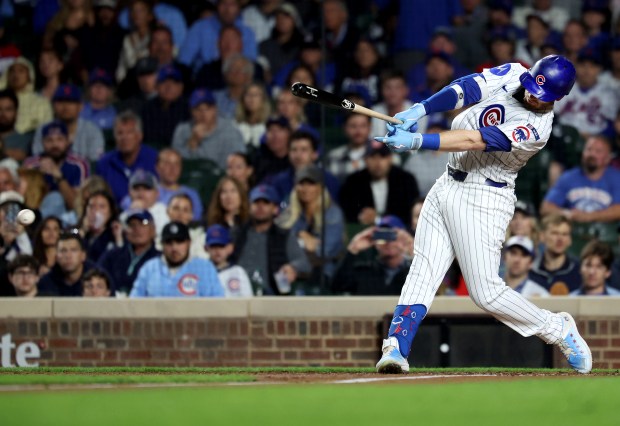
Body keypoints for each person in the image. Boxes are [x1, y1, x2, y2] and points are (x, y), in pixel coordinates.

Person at [373, 55, 591, 374]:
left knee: (486, 293)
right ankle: (396, 347)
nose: (533, 95)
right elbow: (467, 88)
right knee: (424, 268)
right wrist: (420, 109)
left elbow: (475, 139)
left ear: (559, 97)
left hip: (485, 195)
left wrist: (418, 140)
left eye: (542, 95)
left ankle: (557, 328)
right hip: (448, 180)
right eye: (533, 86)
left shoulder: (536, 129)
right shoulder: (516, 73)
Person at [233, 184, 311, 295]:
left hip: (272, 296)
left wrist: (292, 267)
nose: (260, 207)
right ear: (250, 207)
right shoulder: (237, 234)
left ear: (275, 209)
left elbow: (304, 264)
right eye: (256, 202)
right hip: (237, 293)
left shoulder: (284, 236)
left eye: (266, 203)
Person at [276, 165, 345, 283]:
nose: (305, 189)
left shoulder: (333, 213)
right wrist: (302, 236)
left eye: (311, 184)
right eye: (301, 184)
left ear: (320, 187)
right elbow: (278, 245)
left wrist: (297, 245)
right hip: (291, 272)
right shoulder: (289, 213)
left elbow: (325, 251)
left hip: (323, 275)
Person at [130, 221, 224, 298]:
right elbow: (133, 306)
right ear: (162, 244)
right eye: (169, 243)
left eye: (179, 242)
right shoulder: (149, 269)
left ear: (189, 243)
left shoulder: (205, 268)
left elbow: (218, 304)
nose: (174, 248)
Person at [540, 135, 620, 224]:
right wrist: (567, 214)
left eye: (598, 151)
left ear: (608, 158)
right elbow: (546, 207)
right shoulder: (568, 177)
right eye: (589, 149)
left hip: (606, 232)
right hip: (572, 230)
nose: (592, 154)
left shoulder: (616, 178)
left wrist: (589, 216)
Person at [339, 141, 419, 226]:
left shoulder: (406, 180)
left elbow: (411, 212)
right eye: (373, 157)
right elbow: (346, 211)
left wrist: (379, 218)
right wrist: (361, 216)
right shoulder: (353, 181)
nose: (378, 163)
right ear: (365, 160)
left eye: (382, 156)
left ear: (390, 159)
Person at [332, 215, 413, 295]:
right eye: (382, 236)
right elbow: (337, 287)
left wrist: (414, 253)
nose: (388, 242)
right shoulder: (364, 272)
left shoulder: (414, 271)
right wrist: (353, 249)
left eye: (393, 236)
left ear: (404, 239)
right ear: (375, 241)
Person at [23, 121, 90, 213]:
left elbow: (77, 206)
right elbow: (27, 202)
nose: (54, 145)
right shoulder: (31, 164)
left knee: (56, 198)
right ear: (42, 142)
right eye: (49, 140)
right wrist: (37, 176)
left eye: (60, 139)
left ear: (68, 141)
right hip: (38, 215)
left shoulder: (79, 164)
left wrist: (59, 177)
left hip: (70, 217)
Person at [95, 110, 159, 203]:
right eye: (120, 133)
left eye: (129, 132)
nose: (124, 137)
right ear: (115, 137)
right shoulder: (104, 163)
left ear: (139, 136)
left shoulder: (154, 159)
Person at [31, 83, 105, 162]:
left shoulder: (92, 130)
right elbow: (37, 159)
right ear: (53, 105)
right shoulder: (43, 129)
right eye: (60, 101)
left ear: (80, 106)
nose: (65, 106)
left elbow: (95, 162)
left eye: (71, 102)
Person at [171, 88, 245, 164]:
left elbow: (238, 164)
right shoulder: (182, 130)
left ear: (215, 109)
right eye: (198, 109)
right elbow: (175, 164)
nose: (203, 114)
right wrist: (192, 142)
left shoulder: (230, 132)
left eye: (207, 108)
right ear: (191, 111)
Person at [97, 208, 160, 296]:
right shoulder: (112, 255)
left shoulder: (160, 259)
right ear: (125, 231)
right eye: (132, 225)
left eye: (143, 224)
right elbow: (97, 278)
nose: (137, 229)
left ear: (153, 229)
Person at [267, 130, 339, 204]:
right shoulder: (279, 182)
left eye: (304, 150)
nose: (298, 156)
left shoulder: (328, 180)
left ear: (315, 154)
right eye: (294, 150)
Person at [529, 213, 581, 294]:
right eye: (555, 233)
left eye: (564, 234)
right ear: (542, 236)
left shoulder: (579, 271)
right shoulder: (530, 270)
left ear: (570, 240)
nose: (560, 239)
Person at [141, 65, 189, 147]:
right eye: (164, 82)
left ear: (181, 87)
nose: (169, 86)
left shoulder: (189, 109)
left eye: (174, 82)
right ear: (156, 86)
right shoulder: (146, 109)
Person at [1, 57, 53, 134]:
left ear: (29, 76)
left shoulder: (41, 102)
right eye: (12, 71)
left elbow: (46, 130)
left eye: (21, 71)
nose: (16, 75)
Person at [38, 231, 94, 297]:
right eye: (63, 251)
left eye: (73, 250)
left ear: (83, 255)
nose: (68, 256)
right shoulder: (46, 283)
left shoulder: (97, 280)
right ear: (56, 257)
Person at [205, 224, 253, 297]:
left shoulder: (238, 272)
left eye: (221, 246)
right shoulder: (202, 271)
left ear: (230, 248)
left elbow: (247, 300)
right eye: (213, 246)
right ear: (206, 248)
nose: (217, 251)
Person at [155, 148, 203, 221]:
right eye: (167, 163)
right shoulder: (148, 193)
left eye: (177, 164)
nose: (172, 168)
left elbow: (195, 222)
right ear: (158, 167)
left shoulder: (192, 195)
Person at [327, 114, 374, 183]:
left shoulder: (382, 156)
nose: (358, 131)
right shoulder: (333, 156)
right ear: (344, 128)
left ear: (370, 128)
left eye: (363, 126)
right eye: (353, 126)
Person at [121, 170, 169, 237]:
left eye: (147, 188)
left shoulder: (165, 212)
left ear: (157, 193)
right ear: (129, 192)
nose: (141, 193)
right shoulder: (124, 215)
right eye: (136, 189)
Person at [79, 190, 122, 263]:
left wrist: (118, 238)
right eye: (91, 206)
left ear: (110, 213)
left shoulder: (115, 234)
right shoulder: (77, 231)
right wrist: (82, 233)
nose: (95, 210)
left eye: (101, 206)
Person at [166, 193, 207, 259]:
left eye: (185, 210)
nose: (180, 214)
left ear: (191, 215)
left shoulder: (199, 239)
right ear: (167, 211)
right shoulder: (158, 236)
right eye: (176, 208)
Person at [233, 82, 271, 149]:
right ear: (242, 99)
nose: (251, 98)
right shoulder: (234, 124)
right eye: (248, 94)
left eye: (256, 95)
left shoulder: (270, 125)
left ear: (263, 100)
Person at [0, 88, 33, 162]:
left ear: (16, 113)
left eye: (8, 109)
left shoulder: (26, 140)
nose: (3, 114)